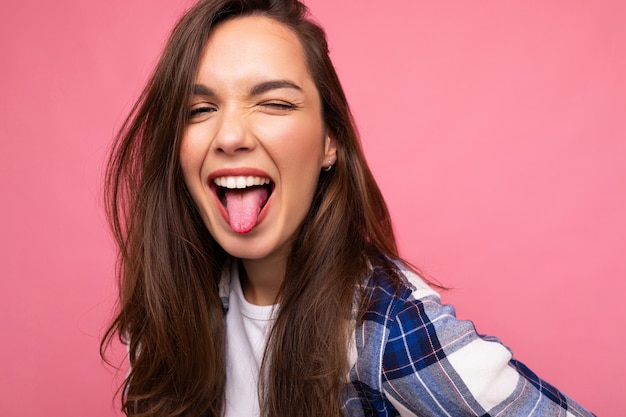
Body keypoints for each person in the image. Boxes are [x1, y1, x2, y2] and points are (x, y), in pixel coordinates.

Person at [100, 0, 596, 416]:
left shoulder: (383, 327)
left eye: (275, 104)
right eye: (200, 110)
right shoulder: (170, 309)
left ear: (328, 143)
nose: (229, 136)